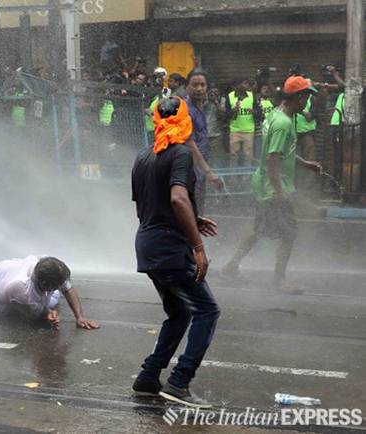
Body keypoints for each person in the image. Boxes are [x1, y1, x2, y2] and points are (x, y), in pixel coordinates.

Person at [130, 96, 220, 408]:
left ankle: (148, 377)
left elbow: (147, 207)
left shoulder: (144, 155)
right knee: (207, 310)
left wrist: (192, 221)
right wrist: (197, 246)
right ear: (185, 120)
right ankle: (179, 382)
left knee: (179, 312)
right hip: (170, 248)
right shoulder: (180, 152)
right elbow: (178, 199)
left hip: (148, 244)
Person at [221, 76, 323, 292]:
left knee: (258, 229)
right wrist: (279, 191)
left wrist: (305, 163)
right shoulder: (283, 123)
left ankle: (230, 267)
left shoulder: (276, 114)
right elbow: (273, 158)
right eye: (307, 96)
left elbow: (281, 150)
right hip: (273, 185)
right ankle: (279, 281)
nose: (308, 101)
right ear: (299, 97)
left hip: (266, 181)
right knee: (289, 233)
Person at [0, 255, 99, 330]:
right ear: (44, 284)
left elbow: (68, 289)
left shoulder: (47, 267)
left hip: (9, 267)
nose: (61, 286)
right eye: (56, 286)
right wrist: (48, 315)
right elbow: (38, 314)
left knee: (52, 299)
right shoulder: (21, 291)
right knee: (50, 303)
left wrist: (80, 317)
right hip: (3, 290)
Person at [182, 70, 225, 209]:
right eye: (195, 85)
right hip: (188, 170)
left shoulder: (200, 107)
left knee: (198, 209)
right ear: (187, 87)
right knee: (191, 209)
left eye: (202, 85)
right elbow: (190, 143)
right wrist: (209, 172)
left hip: (198, 170)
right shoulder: (186, 110)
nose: (199, 89)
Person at [225, 78, 260, 166]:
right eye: (245, 83)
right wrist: (234, 110)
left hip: (249, 130)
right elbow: (226, 115)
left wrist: (253, 112)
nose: (247, 85)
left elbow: (258, 112)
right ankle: (233, 178)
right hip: (235, 131)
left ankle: (246, 179)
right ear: (238, 85)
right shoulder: (230, 96)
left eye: (247, 83)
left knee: (248, 157)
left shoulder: (251, 95)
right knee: (233, 156)